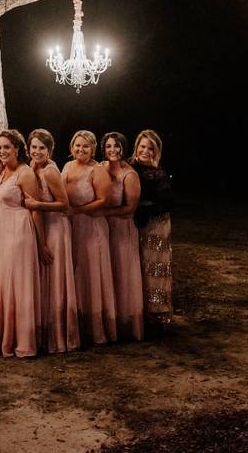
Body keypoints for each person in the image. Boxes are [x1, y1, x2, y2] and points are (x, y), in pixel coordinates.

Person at [0, 129, 49, 358]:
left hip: (19, 232)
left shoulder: (24, 173)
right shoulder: (3, 170)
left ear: (17, 149)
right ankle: (7, 337)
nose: (2, 151)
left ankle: (23, 341)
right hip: (3, 231)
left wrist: (41, 243)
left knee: (19, 284)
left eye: (7, 147)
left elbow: (35, 210)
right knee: (4, 283)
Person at [24, 129, 80, 354]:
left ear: (50, 150)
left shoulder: (50, 171)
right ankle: (43, 332)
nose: (37, 151)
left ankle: (59, 335)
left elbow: (64, 204)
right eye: (34, 147)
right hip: (40, 226)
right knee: (43, 278)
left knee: (55, 277)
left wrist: (39, 205)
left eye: (42, 148)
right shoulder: (31, 166)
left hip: (55, 227)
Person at [62, 130, 117, 346]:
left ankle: (95, 328)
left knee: (91, 273)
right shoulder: (67, 167)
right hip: (71, 226)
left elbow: (104, 199)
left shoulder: (97, 170)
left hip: (91, 227)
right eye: (77, 146)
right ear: (71, 147)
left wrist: (79, 210)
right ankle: (76, 321)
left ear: (93, 149)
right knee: (74, 271)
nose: (80, 150)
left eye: (85, 147)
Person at [128, 129, 175, 326]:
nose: (146, 151)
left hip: (155, 225)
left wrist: (144, 208)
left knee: (153, 267)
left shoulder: (159, 173)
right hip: (132, 223)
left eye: (150, 148)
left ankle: (156, 313)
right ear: (136, 147)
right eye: (143, 146)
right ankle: (136, 309)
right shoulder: (129, 167)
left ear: (157, 151)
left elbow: (167, 203)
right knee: (135, 266)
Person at [100, 132, 144, 341]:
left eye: (116, 146)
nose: (112, 150)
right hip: (102, 229)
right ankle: (107, 321)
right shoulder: (100, 168)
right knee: (106, 274)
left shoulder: (130, 174)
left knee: (122, 274)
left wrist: (101, 213)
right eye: (108, 146)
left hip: (122, 228)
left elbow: (130, 209)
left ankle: (125, 325)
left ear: (123, 148)